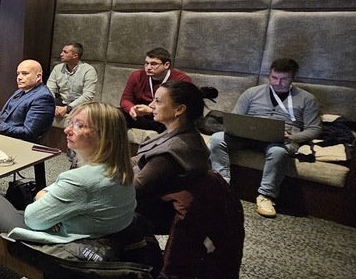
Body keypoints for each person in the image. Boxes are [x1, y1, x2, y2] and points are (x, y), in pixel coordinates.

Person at [0, 102, 135, 245]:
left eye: (79, 125)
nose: (67, 130)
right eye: (70, 123)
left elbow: (32, 218)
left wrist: (43, 198)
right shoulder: (121, 169)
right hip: (96, 233)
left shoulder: (81, 179)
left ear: (104, 136)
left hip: (62, 241)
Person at [208, 58, 322, 218]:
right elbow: (235, 117)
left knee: (278, 152)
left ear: (293, 77)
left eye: (284, 79)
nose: (277, 83)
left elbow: (315, 129)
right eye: (274, 77)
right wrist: (236, 128)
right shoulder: (252, 93)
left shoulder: (307, 99)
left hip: (281, 140)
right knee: (217, 138)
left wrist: (292, 136)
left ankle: (266, 196)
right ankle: (222, 185)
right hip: (247, 136)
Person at [132, 81, 213, 228]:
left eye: (158, 101)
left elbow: (135, 188)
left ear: (179, 109)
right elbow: (140, 160)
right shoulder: (178, 132)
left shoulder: (174, 149)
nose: (151, 105)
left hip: (157, 210)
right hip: (150, 197)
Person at [120, 47, 191, 132]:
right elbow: (125, 99)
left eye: (153, 64)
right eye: (146, 63)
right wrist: (132, 109)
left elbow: (179, 108)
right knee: (115, 115)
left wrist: (152, 111)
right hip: (141, 116)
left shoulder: (181, 80)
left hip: (164, 119)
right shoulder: (137, 75)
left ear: (166, 65)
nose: (148, 67)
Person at [47, 42, 98, 124]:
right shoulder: (57, 68)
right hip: (60, 102)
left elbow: (88, 95)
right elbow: (50, 89)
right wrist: (53, 105)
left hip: (80, 106)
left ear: (75, 55)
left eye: (65, 52)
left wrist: (68, 108)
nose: (61, 54)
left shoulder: (88, 70)